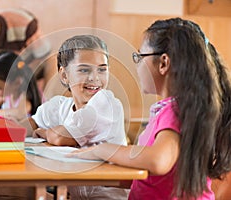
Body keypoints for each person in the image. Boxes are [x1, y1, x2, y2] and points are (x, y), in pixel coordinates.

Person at [69, 18, 231, 199]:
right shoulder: (180, 108)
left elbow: (158, 161)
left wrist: (103, 149)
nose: (137, 65)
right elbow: (155, 177)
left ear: (163, 63)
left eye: (139, 57)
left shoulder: (175, 110)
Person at [27, 35, 129, 199]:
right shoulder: (60, 105)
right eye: (84, 70)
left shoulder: (107, 106)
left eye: (102, 69)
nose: (95, 77)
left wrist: (44, 133)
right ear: (64, 75)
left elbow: (60, 137)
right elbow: (25, 127)